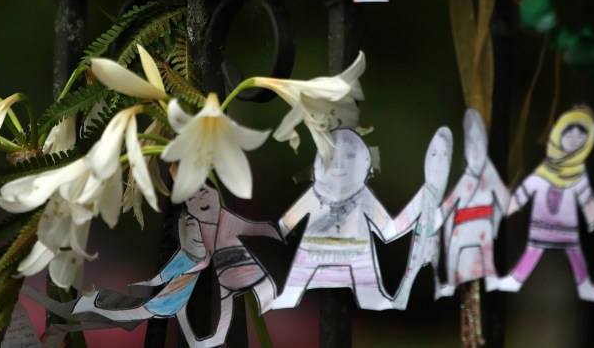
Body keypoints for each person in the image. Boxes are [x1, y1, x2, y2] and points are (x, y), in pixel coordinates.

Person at [68, 184, 279, 347]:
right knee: (133, 314)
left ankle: (87, 308)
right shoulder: (187, 255)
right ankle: (87, 309)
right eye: (191, 226)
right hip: (172, 299)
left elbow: (246, 229)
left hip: (178, 298)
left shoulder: (196, 251)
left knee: (134, 314)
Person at [269, 129, 396, 311]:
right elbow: (287, 222)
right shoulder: (316, 193)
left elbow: (386, 228)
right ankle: (290, 295)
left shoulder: (363, 195)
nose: (338, 165)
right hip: (315, 248)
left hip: (356, 248)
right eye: (330, 158)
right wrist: (276, 232)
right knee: (297, 278)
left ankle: (372, 296)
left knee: (367, 279)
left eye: (350, 157)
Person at [496, 107, 594, 300]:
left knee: (575, 253)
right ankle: (516, 279)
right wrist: (500, 212)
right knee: (533, 250)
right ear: (559, 133)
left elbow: (588, 204)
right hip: (541, 226)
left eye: (580, 136)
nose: (574, 139)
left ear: (586, 143)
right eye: (570, 133)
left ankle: (583, 285)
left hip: (567, 229)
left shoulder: (578, 175)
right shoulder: (544, 170)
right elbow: (524, 193)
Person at [437, 108, 509, 296]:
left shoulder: (489, 173)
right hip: (462, 225)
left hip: (483, 223)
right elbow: (447, 206)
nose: (475, 148)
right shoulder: (466, 178)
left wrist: (495, 222)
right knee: (453, 249)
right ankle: (452, 282)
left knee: (486, 254)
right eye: (471, 142)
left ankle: (491, 278)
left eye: (479, 141)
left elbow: (504, 198)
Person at [388, 126, 453, 307]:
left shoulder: (445, 196)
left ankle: (435, 293)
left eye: (444, 156)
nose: (438, 162)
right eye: (433, 155)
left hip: (434, 243)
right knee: (411, 273)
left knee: (433, 270)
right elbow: (407, 217)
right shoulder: (425, 194)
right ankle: (402, 299)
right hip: (419, 241)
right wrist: (388, 229)